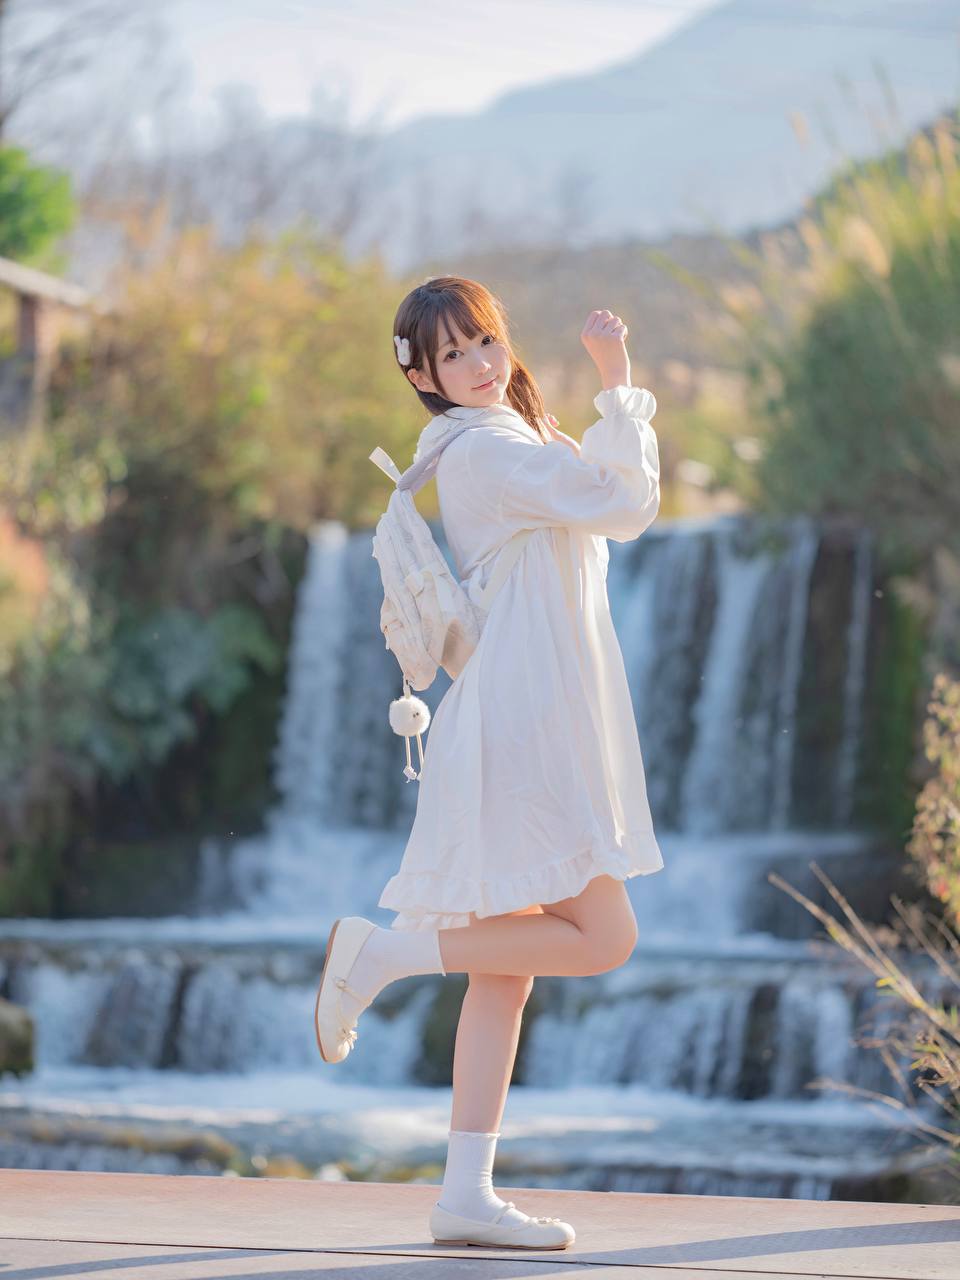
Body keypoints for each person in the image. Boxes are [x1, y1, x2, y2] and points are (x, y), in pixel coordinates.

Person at [314, 275, 665, 1250]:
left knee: (504, 973)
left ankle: (464, 1194)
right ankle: (382, 954)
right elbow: (627, 503)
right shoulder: (490, 453)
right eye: (452, 354)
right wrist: (618, 382)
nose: (477, 363)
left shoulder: (493, 444)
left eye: (485, 342)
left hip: (509, 715)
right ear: (421, 376)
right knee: (604, 935)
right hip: (527, 723)